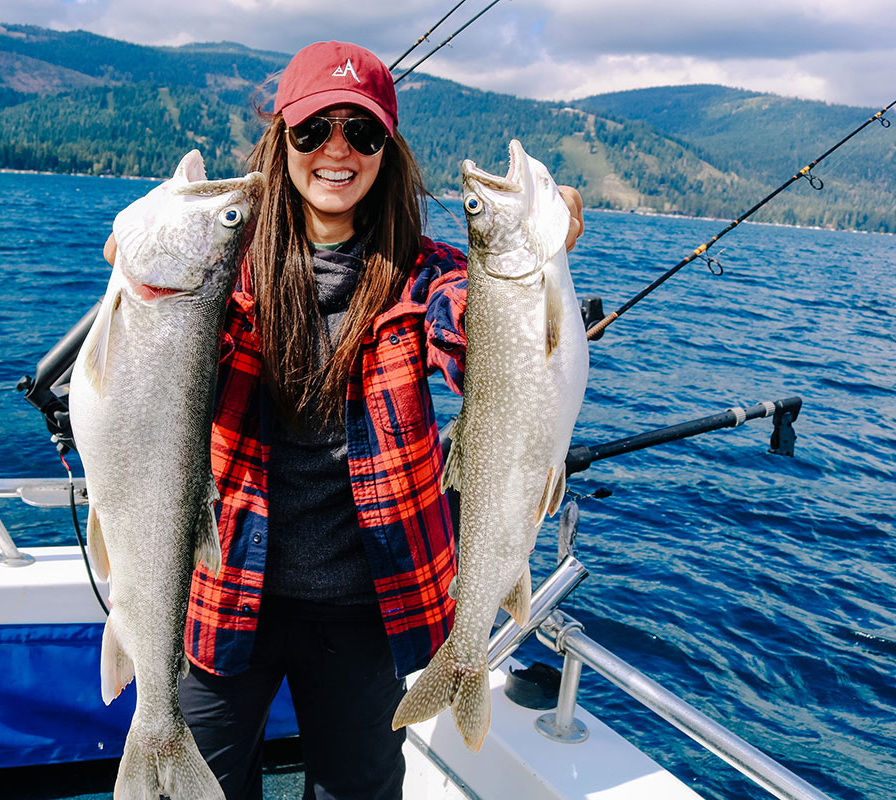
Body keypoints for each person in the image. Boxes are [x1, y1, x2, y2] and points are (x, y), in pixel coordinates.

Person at [104, 40, 583, 800]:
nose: (336, 150)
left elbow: (473, 342)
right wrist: (139, 286)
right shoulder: (217, 270)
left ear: (386, 152)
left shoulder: (432, 275)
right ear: (280, 139)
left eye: (360, 133)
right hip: (226, 591)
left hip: (366, 608)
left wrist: (528, 288)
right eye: (311, 130)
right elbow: (144, 391)